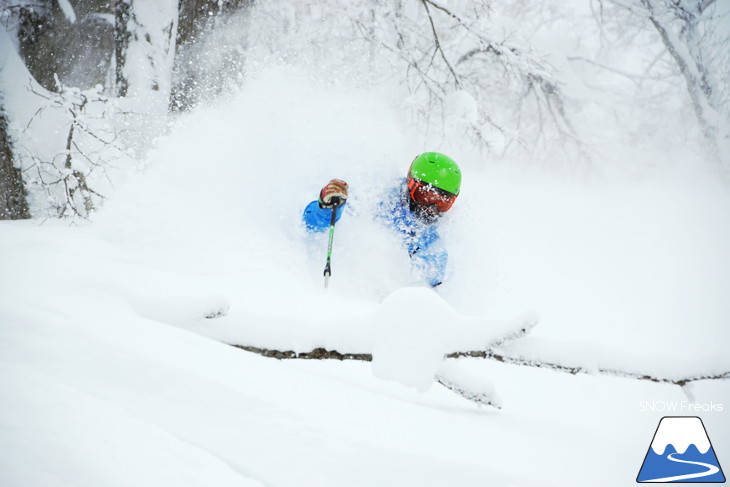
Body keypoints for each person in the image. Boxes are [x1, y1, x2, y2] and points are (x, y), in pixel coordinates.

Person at [303, 152, 461, 287]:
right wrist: (328, 207)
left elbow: (429, 285)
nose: (432, 208)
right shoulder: (379, 197)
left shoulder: (433, 238)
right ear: (410, 184)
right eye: (426, 197)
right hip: (346, 282)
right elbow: (310, 225)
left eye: (443, 203)